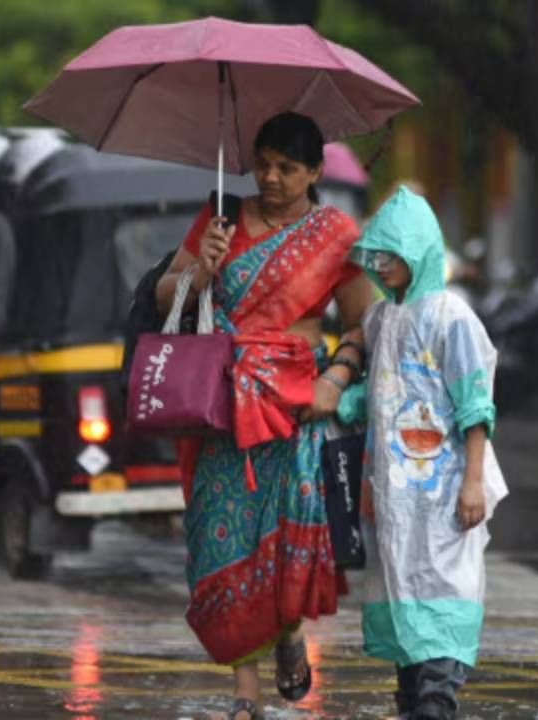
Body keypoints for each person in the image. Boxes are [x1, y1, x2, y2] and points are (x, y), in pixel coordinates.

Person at [155, 112, 378, 720]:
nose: (271, 178)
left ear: (314, 172)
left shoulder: (336, 235)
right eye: (263, 164)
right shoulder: (222, 218)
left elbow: (363, 322)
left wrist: (337, 375)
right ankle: (244, 693)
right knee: (220, 541)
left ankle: (288, 632)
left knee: (282, 544)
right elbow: (162, 292)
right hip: (220, 404)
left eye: (286, 167)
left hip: (293, 409)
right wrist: (203, 266)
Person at [349, 186, 509, 720]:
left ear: (420, 252)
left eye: (392, 254)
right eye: (376, 254)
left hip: (444, 494)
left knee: (444, 588)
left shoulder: (451, 318)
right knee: (403, 592)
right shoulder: (379, 320)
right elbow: (373, 397)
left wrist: (472, 480)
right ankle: (414, 699)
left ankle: (436, 703)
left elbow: (474, 405)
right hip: (396, 500)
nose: (381, 264)